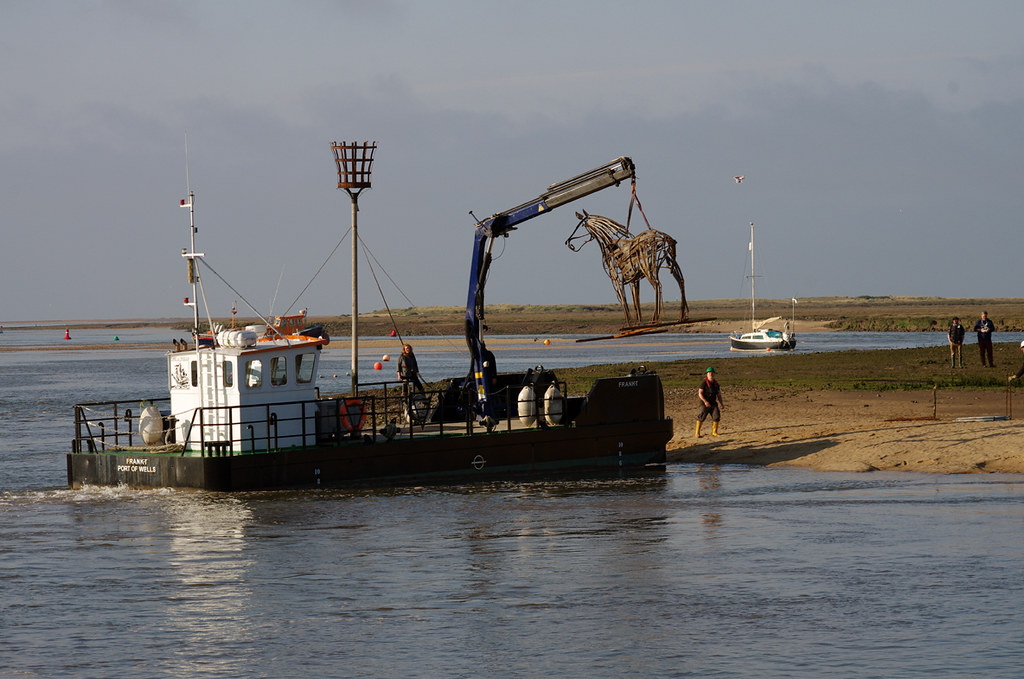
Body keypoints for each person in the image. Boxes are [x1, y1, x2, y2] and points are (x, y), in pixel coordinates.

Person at [696, 367, 724, 437]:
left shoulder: (716, 384)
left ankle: (714, 432)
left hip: (713, 402)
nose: (711, 374)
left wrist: (721, 403)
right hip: (704, 402)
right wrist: (705, 401)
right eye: (709, 373)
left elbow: (719, 395)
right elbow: (700, 393)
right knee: (701, 417)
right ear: (707, 374)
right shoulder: (704, 383)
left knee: (716, 416)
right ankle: (697, 433)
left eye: (712, 373)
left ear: (714, 374)